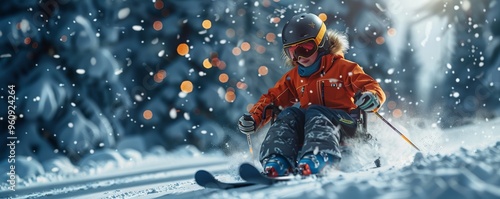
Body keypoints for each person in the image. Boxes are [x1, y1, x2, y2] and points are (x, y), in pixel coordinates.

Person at [238, 13, 386, 177]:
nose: (300, 57)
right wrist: (254, 117)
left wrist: (372, 96)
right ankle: (278, 160)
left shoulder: (344, 68)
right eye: (292, 52)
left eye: (306, 48)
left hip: (345, 124)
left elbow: (370, 85)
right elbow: (272, 98)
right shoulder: (294, 77)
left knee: (316, 111)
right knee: (289, 114)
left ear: (322, 43)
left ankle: (320, 157)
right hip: (312, 128)